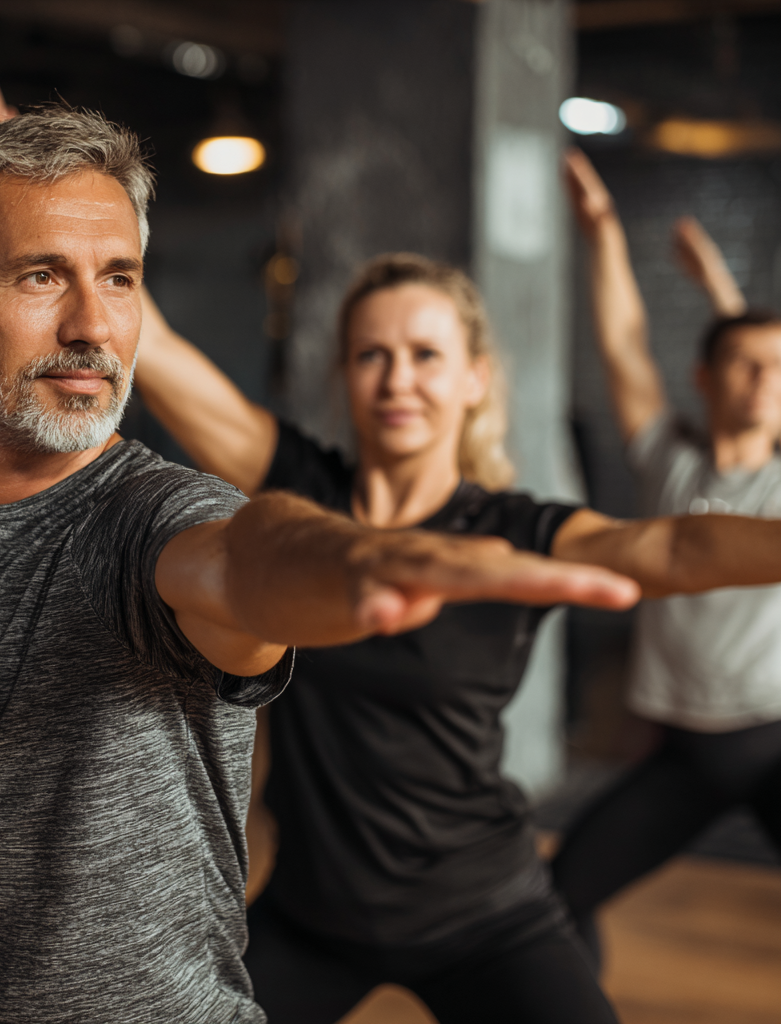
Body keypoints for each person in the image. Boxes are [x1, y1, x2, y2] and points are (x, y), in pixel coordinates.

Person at [0, 104, 645, 1024]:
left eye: (119, 278)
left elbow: (246, 559)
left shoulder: (153, 519)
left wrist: (352, 562)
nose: (92, 325)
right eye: (40, 276)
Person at [131, 246, 781, 1024]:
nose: (398, 380)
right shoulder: (297, 496)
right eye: (373, 355)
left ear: (475, 377)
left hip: (482, 914)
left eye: (426, 356)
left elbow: (673, 548)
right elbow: (155, 345)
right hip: (311, 915)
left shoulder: (516, 531)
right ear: (345, 372)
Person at [551, 148, 781, 964]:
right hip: (684, 749)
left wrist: (725, 294)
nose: (764, 382)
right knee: (563, 892)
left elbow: (755, 362)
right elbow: (623, 342)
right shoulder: (671, 463)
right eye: (746, 367)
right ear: (706, 378)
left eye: (779, 370)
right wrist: (606, 231)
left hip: (771, 740)